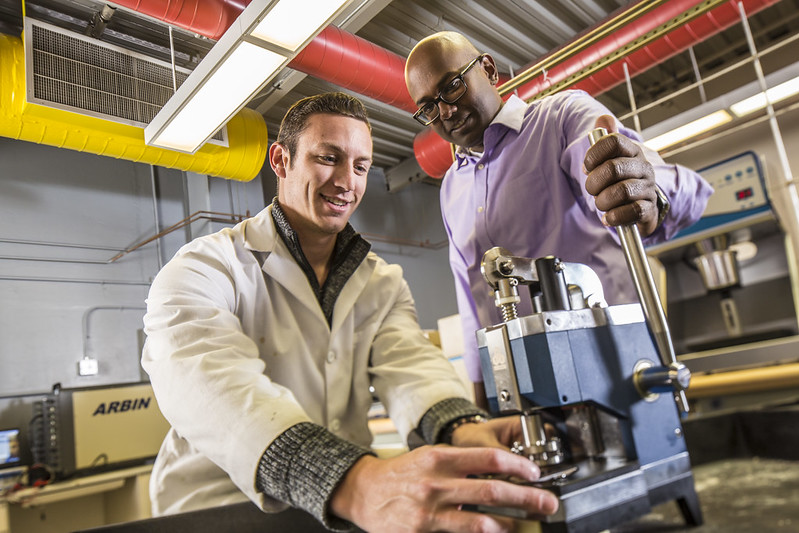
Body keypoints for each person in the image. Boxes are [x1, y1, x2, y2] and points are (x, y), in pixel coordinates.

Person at [142, 92, 559, 532]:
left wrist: (462, 426)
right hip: (221, 509)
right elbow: (208, 386)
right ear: (281, 160)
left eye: (360, 167)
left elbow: (411, 367)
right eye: (329, 158)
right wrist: (353, 483)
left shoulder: (382, 281)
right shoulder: (204, 268)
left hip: (339, 509)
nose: (347, 182)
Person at [404, 31, 714, 407]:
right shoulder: (451, 187)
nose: (446, 111)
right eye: (428, 107)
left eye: (452, 86)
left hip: (614, 364)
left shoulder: (562, 118)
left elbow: (626, 176)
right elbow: (471, 297)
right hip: (527, 389)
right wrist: (483, 398)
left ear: (488, 69)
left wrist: (648, 196)